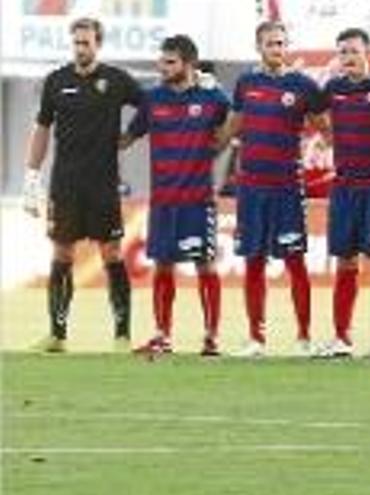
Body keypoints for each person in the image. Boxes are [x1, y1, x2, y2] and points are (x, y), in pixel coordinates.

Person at [23, 17, 142, 352]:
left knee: (112, 253)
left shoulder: (116, 80)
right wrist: (32, 177)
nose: (80, 48)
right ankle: (57, 335)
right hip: (65, 185)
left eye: (86, 42)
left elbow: (150, 104)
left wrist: (132, 135)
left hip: (103, 185)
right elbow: (42, 129)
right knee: (61, 252)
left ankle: (121, 335)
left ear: (98, 44)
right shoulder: (56, 81)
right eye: (76, 42)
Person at [120, 34, 228, 356]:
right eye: (162, 61)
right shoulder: (152, 99)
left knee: (204, 266)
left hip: (198, 200)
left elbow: (235, 123)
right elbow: (127, 138)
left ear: (189, 64)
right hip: (163, 202)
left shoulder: (213, 99)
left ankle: (211, 337)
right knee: (163, 267)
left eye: (170, 62)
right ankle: (162, 336)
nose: (163, 67)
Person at [223, 21, 325, 358]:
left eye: (281, 43)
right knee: (253, 261)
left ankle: (304, 338)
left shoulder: (303, 86)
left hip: (286, 188)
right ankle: (256, 339)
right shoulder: (246, 84)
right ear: (259, 47)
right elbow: (230, 130)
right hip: (251, 187)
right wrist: (200, 146)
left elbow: (326, 130)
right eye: (270, 43)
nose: (276, 49)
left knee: (295, 261)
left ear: (287, 46)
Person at [312, 28, 370, 359]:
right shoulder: (333, 89)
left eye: (353, 51)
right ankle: (341, 338)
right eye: (342, 51)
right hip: (344, 187)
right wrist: (328, 134)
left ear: (368, 53)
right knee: (345, 261)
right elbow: (312, 110)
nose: (348, 57)